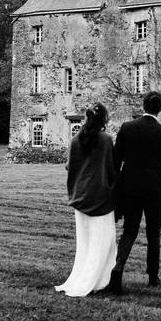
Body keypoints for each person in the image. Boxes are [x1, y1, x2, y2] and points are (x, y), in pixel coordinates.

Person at [106, 91, 161, 293]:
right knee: (153, 233)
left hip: (129, 185)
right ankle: (153, 276)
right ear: (160, 108)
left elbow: (116, 160)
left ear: (143, 106)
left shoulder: (127, 128)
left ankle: (118, 267)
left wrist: (115, 187)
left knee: (130, 229)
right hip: (153, 188)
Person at [55, 103, 118, 297]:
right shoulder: (106, 140)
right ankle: (96, 281)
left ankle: (84, 278)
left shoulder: (75, 140)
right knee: (103, 241)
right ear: (103, 120)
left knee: (85, 243)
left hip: (80, 196)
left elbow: (69, 167)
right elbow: (111, 170)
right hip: (100, 196)